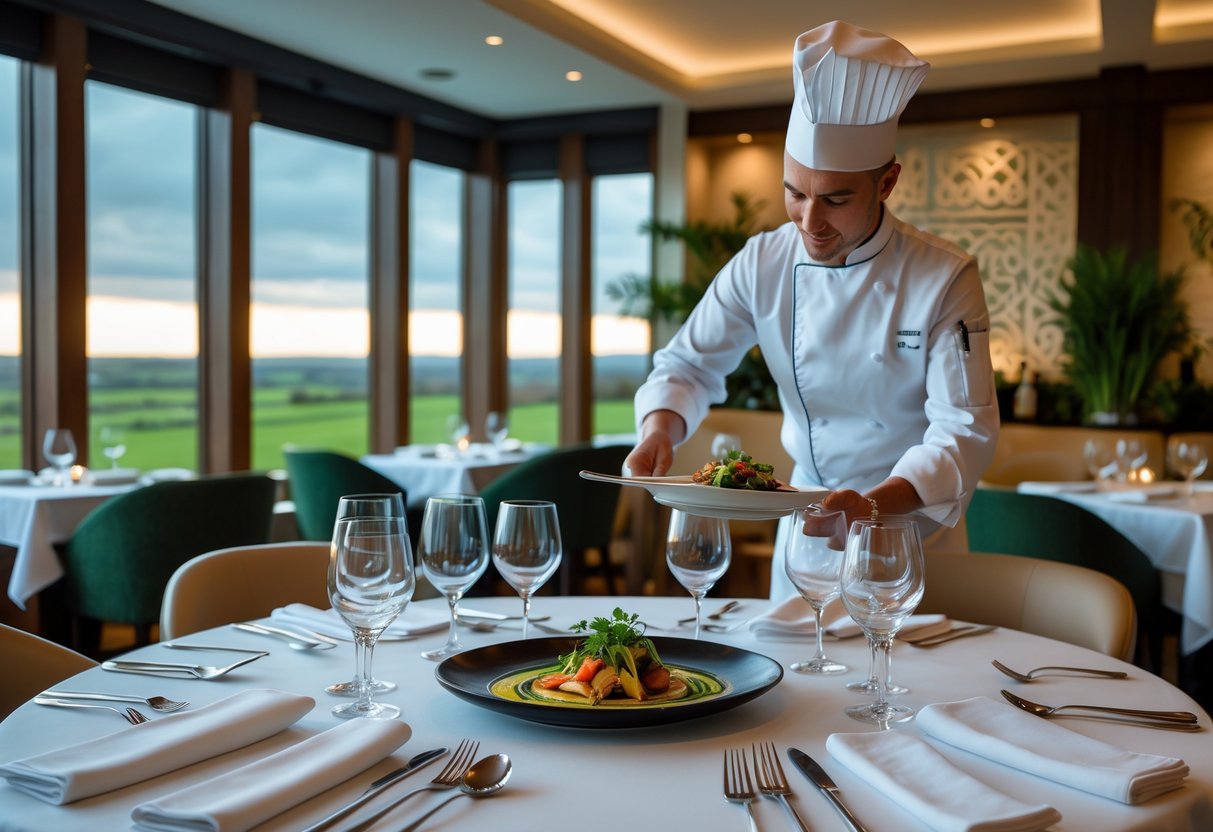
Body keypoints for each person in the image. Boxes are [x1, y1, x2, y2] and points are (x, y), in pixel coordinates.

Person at [624, 20, 1000, 599]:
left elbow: (965, 430)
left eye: (836, 198)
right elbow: (688, 366)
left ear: (887, 182)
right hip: (804, 528)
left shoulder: (943, 275)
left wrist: (874, 505)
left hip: (911, 530)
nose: (809, 221)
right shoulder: (764, 262)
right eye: (795, 192)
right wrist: (659, 430)